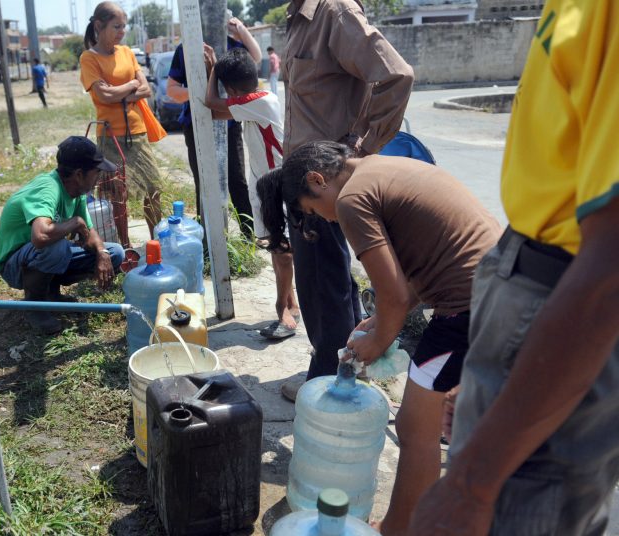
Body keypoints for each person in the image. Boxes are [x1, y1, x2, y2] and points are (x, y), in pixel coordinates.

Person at [408, 2, 619, 535]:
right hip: (526, 292)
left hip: (564, 306)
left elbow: (608, 272)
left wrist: (469, 484)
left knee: (520, 508)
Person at [258, 140, 500, 535]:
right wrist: (379, 323)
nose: (327, 221)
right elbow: (426, 269)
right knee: (459, 419)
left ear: (318, 180)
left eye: (315, 212)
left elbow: (395, 295)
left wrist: (378, 341)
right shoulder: (384, 167)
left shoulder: (352, 200)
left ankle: (398, 529)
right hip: (497, 289)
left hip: (471, 307)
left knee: (413, 427)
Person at [281, 0, 414, 400]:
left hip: (324, 183)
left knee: (325, 283)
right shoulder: (297, 20)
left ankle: (328, 380)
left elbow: (396, 75)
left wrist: (361, 145)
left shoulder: (334, 13)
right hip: (305, 178)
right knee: (324, 280)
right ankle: (348, 364)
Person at [204, 47, 301, 338]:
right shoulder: (254, 102)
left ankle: (282, 310)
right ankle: (291, 303)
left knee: (283, 252)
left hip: (279, 183)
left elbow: (210, 103)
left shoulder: (261, 100)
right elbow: (218, 114)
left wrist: (211, 71)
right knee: (276, 247)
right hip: (264, 183)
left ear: (231, 88)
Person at [0, 136, 125, 335]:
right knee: (55, 245)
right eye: (97, 172)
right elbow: (41, 236)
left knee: (116, 253)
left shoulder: (76, 192)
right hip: (14, 264)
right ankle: (34, 306)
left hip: (40, 255)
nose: (99, 177)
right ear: (79, 174)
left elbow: (90, 231)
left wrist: (102, 253)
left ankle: (51, 295)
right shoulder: (48, 188)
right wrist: (75, 223)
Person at [166, 16, 261, 236]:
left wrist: (241, 29)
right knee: (203, 181)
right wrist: (198, 92)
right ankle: (207, 236)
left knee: (236, 180)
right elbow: (172, 90)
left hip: (229, 122)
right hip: (196, 124)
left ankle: (249, 235)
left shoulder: (232, 45)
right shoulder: (186, 49)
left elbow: (255, 57)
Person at [80, 1, 162, 244]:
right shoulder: (89, 58)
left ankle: (157, 242)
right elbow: (103, 95)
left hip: (138, 134)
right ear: (98, 25)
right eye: (116, 26)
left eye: (124, 26)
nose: (122, 31)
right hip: (110, 137)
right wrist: (130, 87)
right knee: (117, 196)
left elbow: (146, 89)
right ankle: (123, 248)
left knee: (153, 189)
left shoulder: (127, 53)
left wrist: (119, 92)